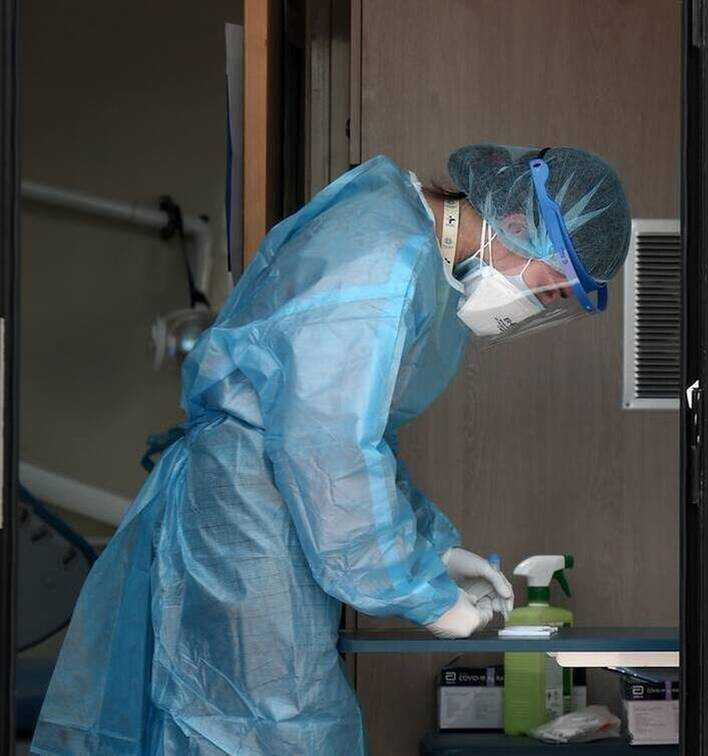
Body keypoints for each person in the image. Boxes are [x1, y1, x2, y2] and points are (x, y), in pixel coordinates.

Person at [31, 145, 632, 755]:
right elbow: (328, 448)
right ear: (521, 224)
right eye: (550, 289)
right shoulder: (384, 260)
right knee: (265, 731)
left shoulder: (404, 244)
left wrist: (433, 550)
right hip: (249, 514)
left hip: (264, 504)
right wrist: (421, 593)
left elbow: (358, 437)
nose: (536, 308)